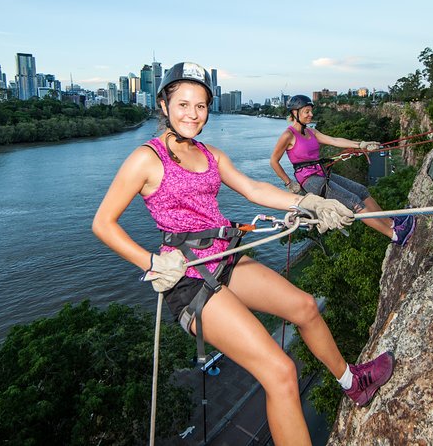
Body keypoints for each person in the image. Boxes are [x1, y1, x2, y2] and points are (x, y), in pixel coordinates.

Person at [92, 62, 394, 445]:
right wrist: (151, 263)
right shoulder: (146, 159)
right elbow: (103, 223)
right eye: (183, 104)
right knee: (281, 372)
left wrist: (308, 202)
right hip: (189, 276)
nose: (192, 114)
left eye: (200, 105)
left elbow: (254, 189)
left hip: (226, 256)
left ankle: (354, 383)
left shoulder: (210, 154)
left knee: (304, 307)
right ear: (164, 105)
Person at [270, 94, 416, 246]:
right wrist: (288, 183)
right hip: (311, 181)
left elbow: (334, 140)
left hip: (322, 174)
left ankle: (391, 223)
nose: (311, 115)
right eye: (307, 111)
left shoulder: (311, 132)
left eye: (311, 111)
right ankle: (395, 235)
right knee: (354, 202)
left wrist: (360, 144)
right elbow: (273, 161)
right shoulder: (288, 135)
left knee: (361, 191)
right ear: (295, 113)